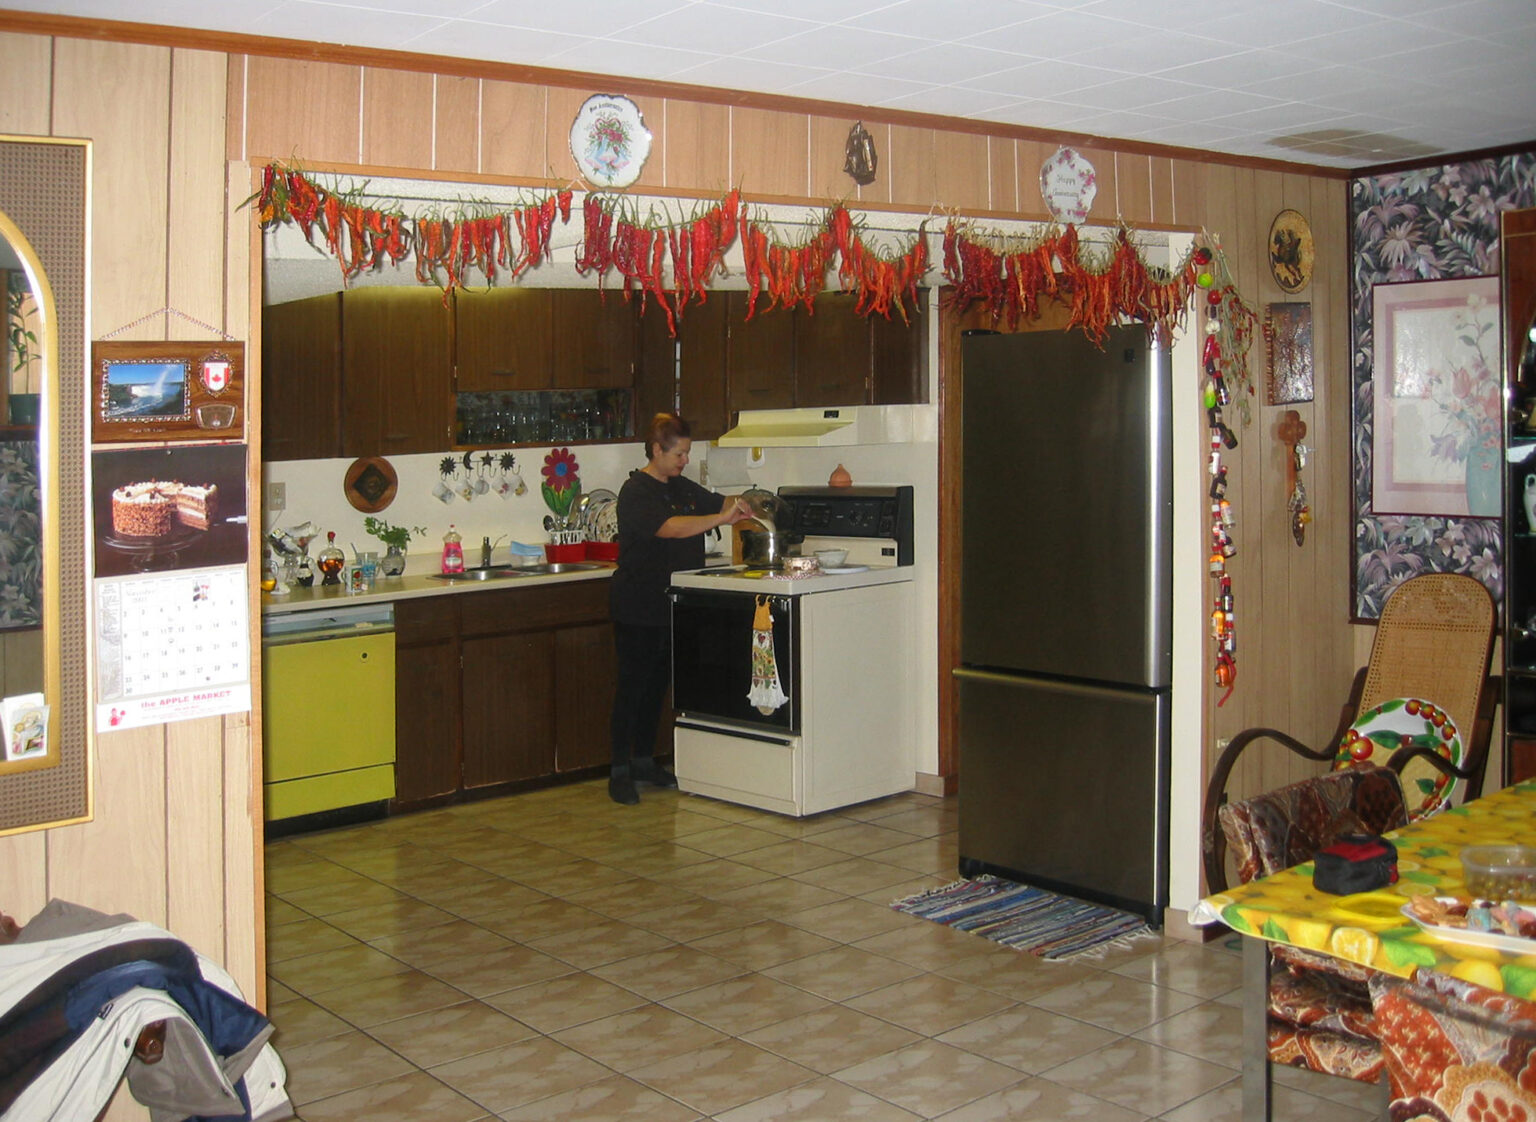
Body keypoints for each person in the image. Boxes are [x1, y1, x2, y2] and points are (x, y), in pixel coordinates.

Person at [608, 413, 750, 805]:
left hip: (676, 603)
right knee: (632, 686)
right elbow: (670, 527)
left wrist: (747, 504)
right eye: (680, 453)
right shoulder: (636, 492)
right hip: (639, 603)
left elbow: (719, 502)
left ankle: (643, 761)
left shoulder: (681, 486)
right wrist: (720, 519)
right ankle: (619, 770)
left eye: (687, 453)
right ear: (657, 450)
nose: (685, 460)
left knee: (659, 686)